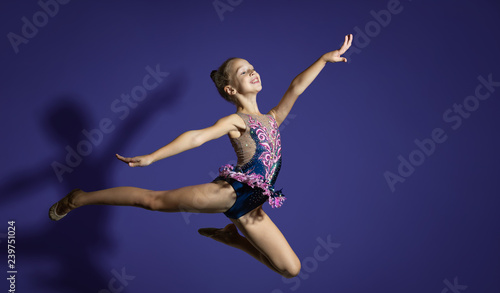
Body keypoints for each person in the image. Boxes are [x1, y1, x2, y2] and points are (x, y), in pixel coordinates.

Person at [49, 34, 353, 278]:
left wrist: (324, 59)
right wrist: (153, 157)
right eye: (244, 71)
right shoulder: (236, 122)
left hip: (253, 207)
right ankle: (78, 198)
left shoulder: (273, 117)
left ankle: (235, 239)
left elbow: (296, 87)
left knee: (291, 269)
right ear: (231, 89)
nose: (253, 71)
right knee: (153, 201)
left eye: (253, 67)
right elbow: (196, 137)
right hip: (230, 194)